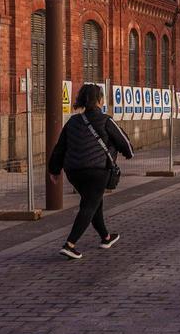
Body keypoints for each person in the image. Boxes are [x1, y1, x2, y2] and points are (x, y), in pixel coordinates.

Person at [48, 83, 133, 260]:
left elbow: (60, 147)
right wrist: (128, 153)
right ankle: (70, 244)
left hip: (74, 172)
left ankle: (106, 237)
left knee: (94, 202)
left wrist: (54, 170)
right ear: (100, 101)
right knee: (89, 205)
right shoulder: (106, 120)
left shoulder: (72, 121)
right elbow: (124, 142)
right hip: (97, 171)